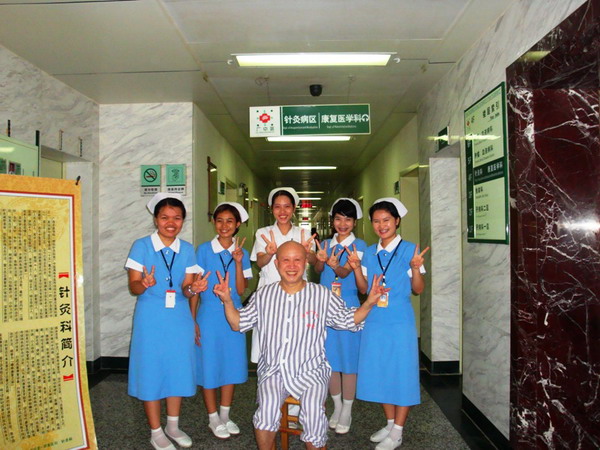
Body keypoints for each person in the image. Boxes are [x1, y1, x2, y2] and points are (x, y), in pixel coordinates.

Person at [215, 241, 388, 450]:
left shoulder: (321, 294)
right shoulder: (263, 295)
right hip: (273, 370)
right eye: (286, 260)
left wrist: (369, 302)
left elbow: (347, 319)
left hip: (311, 370)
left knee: (313, 416)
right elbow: (238, 323)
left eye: (297, 260)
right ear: (277, 264)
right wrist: (227, 301)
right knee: (265, 415)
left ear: (305, 262)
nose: (292, 266)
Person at [125, 193, 209, 450]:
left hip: (179, 318)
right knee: (150, 370)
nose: (171, 223)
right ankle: (155, 431)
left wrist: (194, 289)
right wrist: (144, 283)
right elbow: (133, 287)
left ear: (183, 220)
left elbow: (185, 289)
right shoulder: (141, 246)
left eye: (177, 218)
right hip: (150, 318)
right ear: (155, 219)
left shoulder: (187, 249)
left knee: (177, 369)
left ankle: (173, 425)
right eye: (165, 218)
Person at [356, 197, 429, 450]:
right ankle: (389, 423)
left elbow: (418, 289)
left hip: (399, 320)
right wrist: (356, 268)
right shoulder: (369, 252)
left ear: (397, 221)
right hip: (375, 318)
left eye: (386, 220)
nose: (381, 225)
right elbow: (364, 289)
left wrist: (416, 269)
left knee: (402, 371)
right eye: (376, 221)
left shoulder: (410, 250)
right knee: (380, 370)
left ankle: (398, 431)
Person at [191, 202, 252, 440]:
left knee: (231, 364)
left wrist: (238, 262)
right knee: (209, 365)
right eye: (219, 220)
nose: (224, 225)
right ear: (213, 222)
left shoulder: (242, 252)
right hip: (209, 315)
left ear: (237, 225)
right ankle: (213, 417)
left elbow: (241, 289)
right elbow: (195, 288)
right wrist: (193, 320)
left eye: (229, 221)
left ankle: (225, 415)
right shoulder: (203, 250)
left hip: (234, 314)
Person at [314, 198, 368, 434]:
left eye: (348, 219)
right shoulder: (326, 243)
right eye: (338, 219)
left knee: (349, 361)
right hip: (324, 307)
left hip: (348, 307)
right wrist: (319, 260)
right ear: (332, 221)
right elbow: (318, 271)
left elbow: (345, 273)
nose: (342, 224)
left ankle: (347, 408)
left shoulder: (359, 245)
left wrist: (334, 265)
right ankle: (336, 406)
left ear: (354, 222)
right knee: (329, 360)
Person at [250, 187, 316, 363]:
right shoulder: (263, 233)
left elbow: (314, 262)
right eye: (277, 207)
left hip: (298, 292)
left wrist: (307, 252)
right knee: (268, 338)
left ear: (294, 208)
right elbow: (259, 262)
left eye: (287, 206)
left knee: (297, 338)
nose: (282, 211)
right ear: (271, 209)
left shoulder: (303, 233)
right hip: (269, 292)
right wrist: (269, 253)